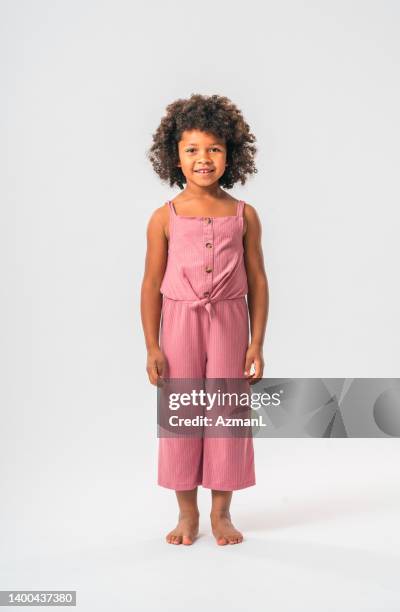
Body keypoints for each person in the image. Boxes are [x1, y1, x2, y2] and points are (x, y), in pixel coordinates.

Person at [141, 94, 269, 546]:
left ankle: (222, 514)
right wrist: (153, 346)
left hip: (231, 323)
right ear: (174, 156)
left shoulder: (244, 215)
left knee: (227, 418)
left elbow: (258, 280)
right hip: (179, 325)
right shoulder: (165, 218)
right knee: (181, 416)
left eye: (214, 149)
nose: (203, 158)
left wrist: (256, 343)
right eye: (192, 149)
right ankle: (186, 514)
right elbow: (151, 283)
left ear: (231, 154)